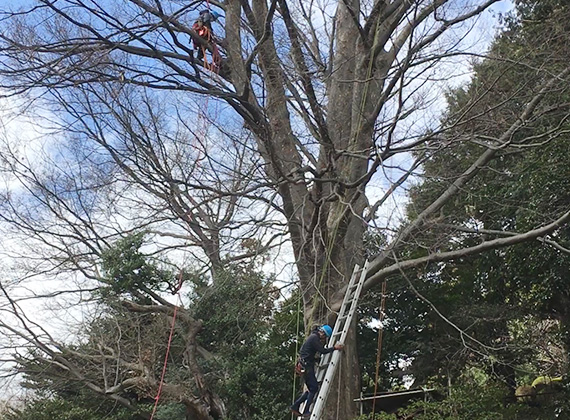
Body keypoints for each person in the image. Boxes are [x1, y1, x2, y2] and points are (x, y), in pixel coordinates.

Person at [291, 325, 344, 418]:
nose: (324, 339)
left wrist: (315, 360)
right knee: (314, 388)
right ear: (323, 333)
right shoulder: (314, 338)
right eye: (325, 336)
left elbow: (307, 351)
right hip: (306, 366)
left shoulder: (312, 337)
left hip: (305, 364)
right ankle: (306, 410)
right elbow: (323, 351)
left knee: (311, 389)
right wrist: (334, 348)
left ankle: (295, 406)